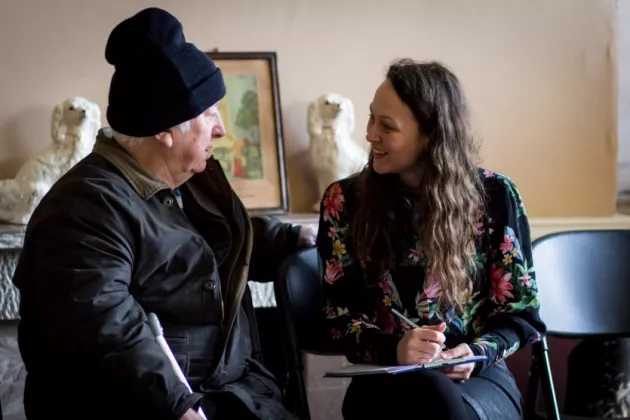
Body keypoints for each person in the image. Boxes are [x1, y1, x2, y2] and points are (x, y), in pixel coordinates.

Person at [12, 8, 315, 420]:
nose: (221, 129)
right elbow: (106, 326)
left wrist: (285, 240)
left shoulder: (184, 183)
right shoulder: (84, 208)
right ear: (164, 129)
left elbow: (210, 244)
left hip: (235, 392)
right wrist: (178, 407)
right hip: (158, 407)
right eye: (208, 114)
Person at [316, 59, 546, 419]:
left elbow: (522, 316)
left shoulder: (495, 195)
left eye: (386, 126)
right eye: (372, 118)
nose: (370, 134)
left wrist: (476, 352)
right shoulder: (343, 202)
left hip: (478, 377)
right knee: (424, 393)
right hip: (383, 378)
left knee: (438, 399)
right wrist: (397, 348)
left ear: (430, 134)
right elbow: (338, 318)